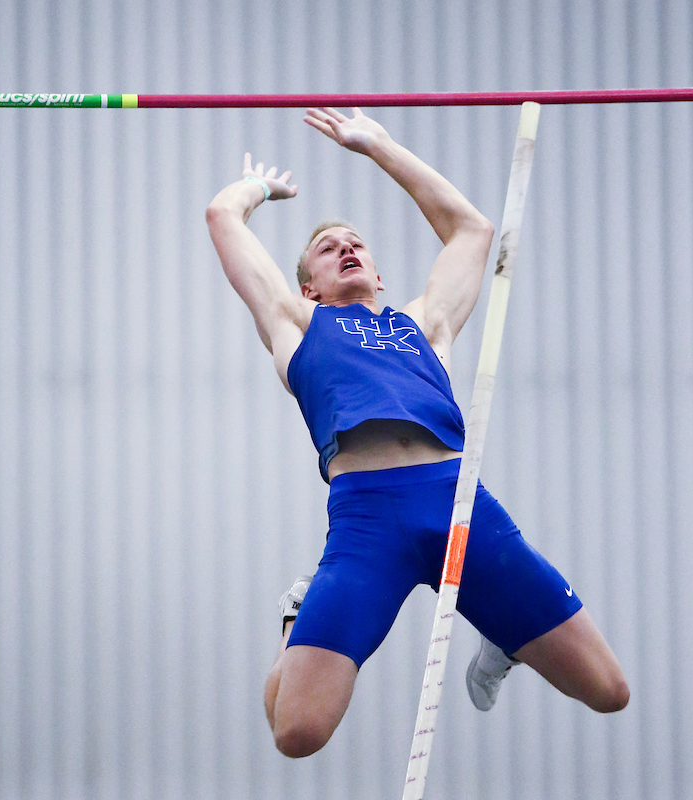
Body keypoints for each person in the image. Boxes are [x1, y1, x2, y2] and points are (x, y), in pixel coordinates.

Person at [205, 107, 628, 759]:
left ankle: (503, 630)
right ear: (309, 287)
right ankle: (300, 615)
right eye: (327, 247)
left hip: (458, 507)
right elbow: (221, 218)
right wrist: (259, 189)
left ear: (378, 276)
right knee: (297, 732)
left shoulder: (425, 323)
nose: (346, 247)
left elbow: (472, 229)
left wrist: (380, 147)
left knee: (607, 689)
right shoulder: (295, 324)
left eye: (357, 244)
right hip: (366, 523)